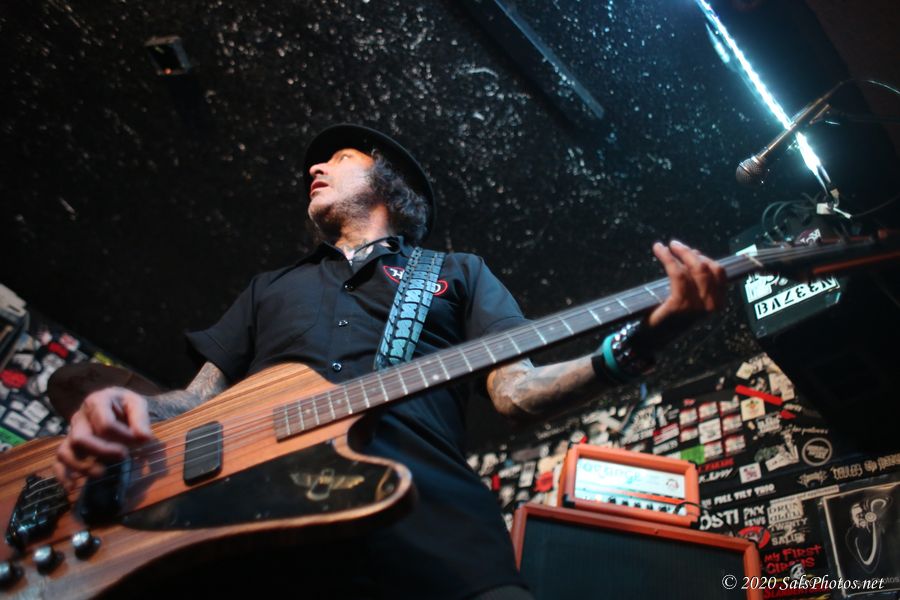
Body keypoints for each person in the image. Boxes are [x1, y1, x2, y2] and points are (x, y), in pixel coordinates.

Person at [54, 124, 727, 599]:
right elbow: (196, 400)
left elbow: (517, 394)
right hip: (259, 526)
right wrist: (129, 406)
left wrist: (645, 339)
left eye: (339, 156)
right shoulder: (269, 287)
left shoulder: (460, 273)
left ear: (388, 181)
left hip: (430, 520)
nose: (314, 168)